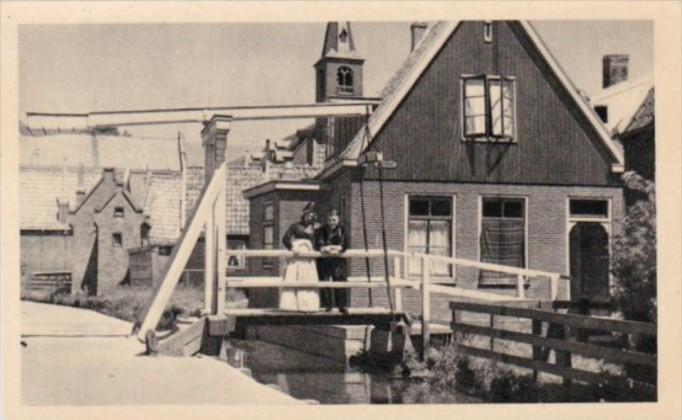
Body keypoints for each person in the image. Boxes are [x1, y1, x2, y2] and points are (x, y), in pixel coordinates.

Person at [280, 202, 320, 312]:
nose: (309, 217)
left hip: (308, 256)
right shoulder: (295, 226)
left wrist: (316, 232)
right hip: (297, 254)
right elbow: (285, 238)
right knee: (294, 276)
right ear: (304, 215)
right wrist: (292, 247)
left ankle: (307, 305)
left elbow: (318, 242)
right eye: (308, 215)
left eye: (312, 216)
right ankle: (290, 305)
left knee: (307, 277)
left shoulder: (315, 228)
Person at [315, 208, 349, 312]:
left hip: (338, 260)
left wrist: (333, 247)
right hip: (324, 260)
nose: (332, 222)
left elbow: (344, 244)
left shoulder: (341, 230)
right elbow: (319, 243)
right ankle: (327, 305)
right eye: (330, 220)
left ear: (338, 219)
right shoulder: (321, 230)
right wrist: (324, 247)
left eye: (334, 220)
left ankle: (341, 305)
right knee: (325, 281)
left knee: (340, 280)